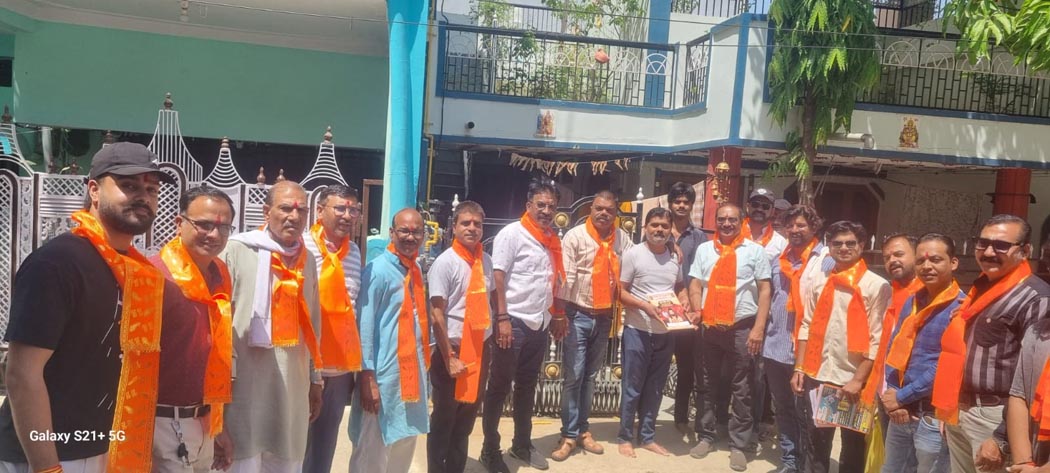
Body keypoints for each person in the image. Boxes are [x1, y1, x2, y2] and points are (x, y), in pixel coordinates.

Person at [0, 142, 172, 473]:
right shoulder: (59, 263)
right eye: (129, 185)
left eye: (151, 190)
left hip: (110, 447)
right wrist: (47, 468)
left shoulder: (139, 273)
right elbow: (22, 373)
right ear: (94, 190)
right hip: (49, 453)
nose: (143, 197)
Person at [931, 214, 1050, 473]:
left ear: (1025, 251)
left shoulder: (1035, 298)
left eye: (1001, 246)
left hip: (995, 417)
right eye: (982, 243)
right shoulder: (981, 289)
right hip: (961, 410)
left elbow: (1029, 377)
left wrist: (1001, 437)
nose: (988, 252)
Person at [222, 180, 324, 473]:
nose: (294, 216)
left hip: (292, 384)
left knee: (286, 458)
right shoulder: (237, 250)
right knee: (241, 457)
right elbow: (219, 319)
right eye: (285, 208)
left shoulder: (306, 259)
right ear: (267, 212)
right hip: (243, 384)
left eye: (301, 211)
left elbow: (313, 323)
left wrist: (315, 379)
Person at [481, 180, 568, 473]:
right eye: (540, 205)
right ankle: (490, 449)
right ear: (528, 205)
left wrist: (557, 314)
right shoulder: (512, 234)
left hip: (539, 322)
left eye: (551, 206)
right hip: (513, 321)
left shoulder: (551, 239)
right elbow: (498, 277)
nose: (546, 211)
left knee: (528, 386)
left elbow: (553, 279)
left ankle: (521, 443)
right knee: (499, 386)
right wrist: (502, 318)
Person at [150, 185, 238, 472]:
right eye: (204, 225)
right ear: (179, 223)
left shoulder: (220, 274)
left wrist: (218, 426)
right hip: (161, 425)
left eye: (223, 227)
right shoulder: (154, 276)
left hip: (204, 421)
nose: (214, 235)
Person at [792, 220, 891, 473]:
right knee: (816, 443)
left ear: (862, 245)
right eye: (837, 243)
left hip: (853, 380)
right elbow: (806, 325)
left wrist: (858, 380)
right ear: (829, 246)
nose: (844, 248)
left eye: (850, 243)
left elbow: (877, 339)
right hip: (818, 374)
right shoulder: (820, 281)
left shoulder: (876, 285)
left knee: (853, 448)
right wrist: (800, 368)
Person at [688, 204, 773, 472]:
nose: (726, 224)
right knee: (706, 383)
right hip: (710, 328)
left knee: (743, 388)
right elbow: (695, 283)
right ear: (716, 221)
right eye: (722, 219)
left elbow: (765, 289)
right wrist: (696, 309)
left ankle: (739, 444)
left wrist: (758, 328)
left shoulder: (755, 251)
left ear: (741, 221)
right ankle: (706, 435)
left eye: (732, 219)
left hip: (742, 328)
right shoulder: (705, 249)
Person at [552, 191, 634, 462]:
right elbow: (565, 278)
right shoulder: (575, 236)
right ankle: (568, 434)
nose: (604, 213)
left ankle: (583, 430)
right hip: (578, 314)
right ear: (591, 209)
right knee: (574, 375)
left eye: (609, 210)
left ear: (616, 213)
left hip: (604, 316)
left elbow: (637, 260)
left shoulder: (622, 239)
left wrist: (670, 245)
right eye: (599, 208)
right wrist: (559, 314)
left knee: (590, 377)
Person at [349, 209, 431, 473]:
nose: (410, 237)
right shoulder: (377, 271)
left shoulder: (414, 269)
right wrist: (367, 377)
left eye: (416, 232)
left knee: (403, 444)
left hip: (410, 378)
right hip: (383, 378)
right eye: (404, 231)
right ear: (392, 233)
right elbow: (364, 326)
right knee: (372, 454)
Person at [879, 233, 963, 473]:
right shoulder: (913, 301)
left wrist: (902, 396)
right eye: (921, 261)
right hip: (901, 413)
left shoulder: (960, 308)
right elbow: (894, 349)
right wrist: (894, 397)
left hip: (931, 417)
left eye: (935, 259)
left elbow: (945, 366)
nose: (926, 266)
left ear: (953, 263)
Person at [427, 201, 495, 473]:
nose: (472, 228)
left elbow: (489, 301)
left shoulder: (485, 261)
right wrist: (449, 357)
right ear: (453, 227)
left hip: (479, 349)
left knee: (466, 419)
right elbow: (436, 315)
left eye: (477, 224)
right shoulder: (445, 263)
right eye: (465, 223)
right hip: (452, 350)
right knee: (444, 420)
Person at [763, 205, 832, 473]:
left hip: (807, 351)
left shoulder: (826, 260)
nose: (794, 230)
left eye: (801, 225)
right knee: (783, 409)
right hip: (775, 347)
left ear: (814, 227)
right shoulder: (777, 260)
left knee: (807, 414)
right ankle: (789, 461)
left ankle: (807, 464)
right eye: (790, 225)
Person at [302, 185, 364, 473]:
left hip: (339, 369)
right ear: (320, 210)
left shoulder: (354, 253)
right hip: (305, 365)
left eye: (353, 210)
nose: (347, 215)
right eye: (340, 208)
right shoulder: (302, 246)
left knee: (324, 447)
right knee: (295, 446)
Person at [616, 208, 683, 458]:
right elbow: (620, 292)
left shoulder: (674, 257)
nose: (659, 230)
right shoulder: (633, 254)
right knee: (632, 387)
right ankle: (625, 437)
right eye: (654, 225)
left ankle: (647, 437)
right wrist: (645, 306)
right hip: (638, 331)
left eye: (665, 226)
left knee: (655, 388)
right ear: (645, 227)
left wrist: (685, 302)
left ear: (671, 230)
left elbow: (679, 287)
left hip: (666, 333)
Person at [864, 234, 923, 435]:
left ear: (916, 256)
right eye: (887, 257)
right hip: (886, 392)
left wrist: (904, 397)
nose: (892, 260)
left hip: (909, 400)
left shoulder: (926, 296)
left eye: (899, 254)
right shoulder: (891, 293)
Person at [743, 188, 788, 451]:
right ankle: (728, 423)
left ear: (772, 211)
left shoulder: (780, 244)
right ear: (747, 206)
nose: (759, 209)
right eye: (755, 204)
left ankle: (756, 426)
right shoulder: (734, 233)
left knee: (758, 377)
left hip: (764, 318)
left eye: (765, 205)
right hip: (735, 315)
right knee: (733, 374)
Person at [665, 182, 709, 439]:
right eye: (677, 201)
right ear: (670, 204)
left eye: (686, 202)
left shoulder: (699, 237)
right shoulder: (659, 229)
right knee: (654, 365)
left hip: (688, 310)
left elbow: (702, 273)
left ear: (692, 205)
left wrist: (695, 306)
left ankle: (681, 417)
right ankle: (643, 417)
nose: (681, 205)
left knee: (686, 366)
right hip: (658, 307)